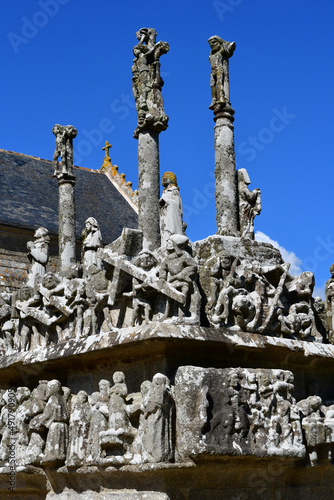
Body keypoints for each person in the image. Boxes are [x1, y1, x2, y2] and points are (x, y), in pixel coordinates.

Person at [159, 171, 184, 247]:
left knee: (170, 231)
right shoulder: (164, 192)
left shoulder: (174, 191)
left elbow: (177, 205)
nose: (163, 178)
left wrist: (167, 201)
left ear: (170, 179)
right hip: (165, 216)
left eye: (165, 176)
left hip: (172, 217)